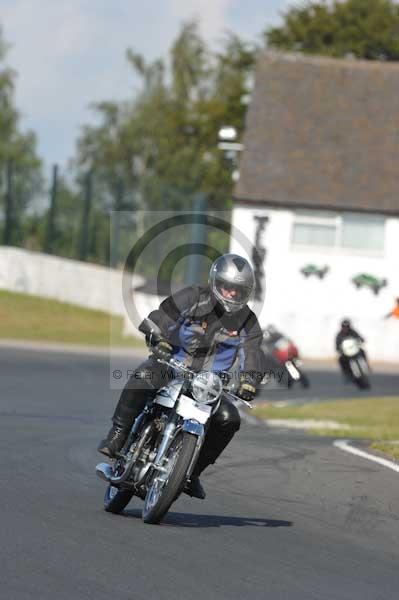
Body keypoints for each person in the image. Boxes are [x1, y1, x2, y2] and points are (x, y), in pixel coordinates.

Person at [98, 253, 265, 499]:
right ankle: (118, 434)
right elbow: (161, 317)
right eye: (227, 288)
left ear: (246, 292)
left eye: (237, 290)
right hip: (172, 365)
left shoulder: (248, 322)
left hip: (208, 384)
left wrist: (249, 381)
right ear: (215, 283)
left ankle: (192, 472)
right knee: (144, 374)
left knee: (230, 418)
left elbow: (252, 354)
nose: (231, 294)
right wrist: (159, 337)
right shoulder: (193, 297)